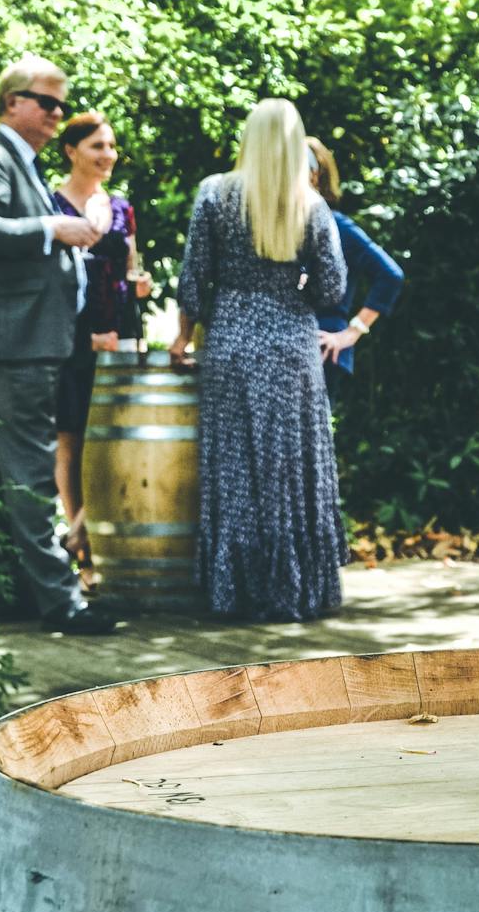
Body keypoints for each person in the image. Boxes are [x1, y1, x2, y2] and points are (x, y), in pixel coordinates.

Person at [0, 59, 121, 634]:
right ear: (11, 103)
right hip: (11, 342)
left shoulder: (24, 163)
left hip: (30, 339)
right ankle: (61, 603)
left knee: (13, 471)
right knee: (30, 474)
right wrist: (54, 228)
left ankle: (13, 595)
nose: (57, 115)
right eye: (47, 103)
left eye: (61, 106)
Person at [169, 100, 349, 621]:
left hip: (229, 342)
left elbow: (192, 282)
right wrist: (294, 286)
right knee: (292, 467)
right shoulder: (310, 206)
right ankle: (298, 588)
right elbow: (333, 288)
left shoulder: (214, 193)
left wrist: (186, 334)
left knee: (235, 465)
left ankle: (236, 591)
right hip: (292, 344)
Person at [49, 112, 153, 577]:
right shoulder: (51, 203)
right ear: (72, 151)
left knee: (116, 437)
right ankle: (81, 543)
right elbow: (49, 281)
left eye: (111, 146)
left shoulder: (123, 206)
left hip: (119, 335)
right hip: (71, 337)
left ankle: (84, 535)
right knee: (70, 435)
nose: (108, 155)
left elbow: (130, 268)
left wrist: (139, 288)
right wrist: (84, 334)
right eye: (97, 146)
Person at [305, 136, 405, 396]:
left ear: (315, 175)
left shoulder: (338, 226)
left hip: (323, 347)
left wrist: (351, 333)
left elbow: (390, 274)